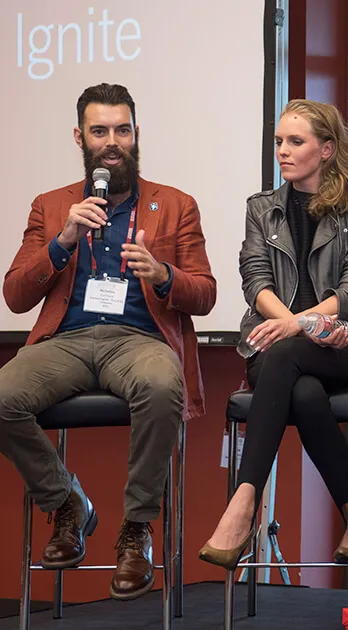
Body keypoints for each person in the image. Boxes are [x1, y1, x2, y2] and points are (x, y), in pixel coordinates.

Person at [0, 83, 216, 600]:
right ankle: (67, 503)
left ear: (137, 134)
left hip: (138, 339)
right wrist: (62, 242)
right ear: (80, 137)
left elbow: (204, 294)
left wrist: (162, 274)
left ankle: (136, 531)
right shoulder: (52, 207)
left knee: (164, 385)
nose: (112, 141)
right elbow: (14, 295)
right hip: (67, 340)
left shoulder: (176, 204)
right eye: (100, 131)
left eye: (122, 129)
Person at [198, 100, 348, 569]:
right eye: (279, 141)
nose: (282, 150)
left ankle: (244, 501)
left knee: (290, 360)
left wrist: (303, 324)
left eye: (295, 142)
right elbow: (254, 279)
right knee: (300, 385)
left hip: (345, 344)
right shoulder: (261, 208)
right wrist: (290, 325)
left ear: (326, 149)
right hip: (276, 346)